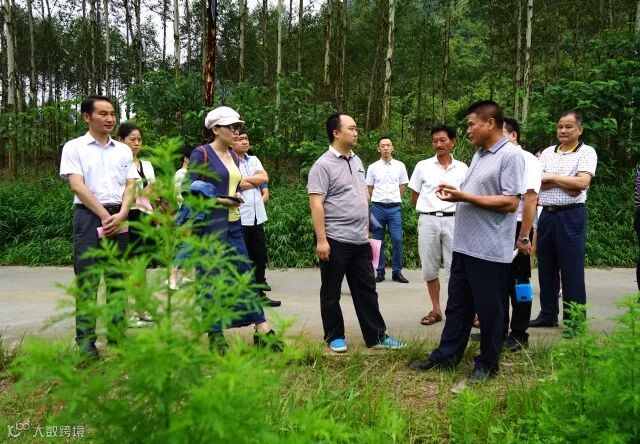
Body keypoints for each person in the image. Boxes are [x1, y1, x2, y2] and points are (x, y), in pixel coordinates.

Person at [410, 100, 524, 383]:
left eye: (472, 124)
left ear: (490, 123)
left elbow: (511, 202)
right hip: (464, 245)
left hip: (488, 249)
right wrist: (457, 192)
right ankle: (445, 358)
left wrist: (464, 196)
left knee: (489, 311)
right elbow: (478, 193)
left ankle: (487, 365)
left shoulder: (510, 156)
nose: (468, 130)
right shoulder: (480, 155)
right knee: (458, 308)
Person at [307, 113, 406, 353]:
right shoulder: (322, 165)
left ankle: (377, 336)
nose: (356, 132)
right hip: (335, 238)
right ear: (336, 133)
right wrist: (322, 240)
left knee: (366, 290)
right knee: (331, 291)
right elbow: (316, 204)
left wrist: (367, 223)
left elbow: (363, 194)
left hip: (360, 239)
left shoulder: (357, 160)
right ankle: (334, 336)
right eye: (351, 128)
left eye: (356, 128)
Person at [188, 106, 282, 353]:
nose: (236, 131)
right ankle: (215, 333)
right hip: (210, 226)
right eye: (231, 126)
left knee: (243, 275)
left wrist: (237, 193)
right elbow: (190, 190)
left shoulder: (233, 155)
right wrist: (221, 200)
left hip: (234, 223)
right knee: (211, 278)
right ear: (215, 129)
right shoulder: (202, 153)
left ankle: (262, 329)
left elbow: (235, 183)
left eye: (237, 126)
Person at [59, 95, 139, 358]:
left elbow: (131, 184)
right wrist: (104, 215)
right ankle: (86, 343)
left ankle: (117, 336)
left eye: (112, 114)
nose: (110, 119)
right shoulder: (74, 147)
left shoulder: (123, 150)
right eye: (103, 114)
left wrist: (123, 212)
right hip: (89, 216)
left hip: (120, 215)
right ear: (86, 117)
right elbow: (77, 185)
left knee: (118, 279)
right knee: (88, 279)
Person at [530, 111, 597, 337]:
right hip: (547, 215)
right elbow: (536, 181)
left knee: (571, 269)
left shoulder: (587, 152)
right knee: (546, 267)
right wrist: (567, 182)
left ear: (580, 129)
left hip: (571, 215)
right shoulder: (548, 152)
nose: (563, 131)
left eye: (568, 127)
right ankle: (548, 314)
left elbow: (583, 182)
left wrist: (551, 177)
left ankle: (575, 321)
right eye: (560, 126)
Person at [408, 124, 468, 326]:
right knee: (429, 267)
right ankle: (436, 309)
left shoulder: (463, 168)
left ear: (453, 142)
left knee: (455, 268)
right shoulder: (422, 166)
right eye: (435, 141)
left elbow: (467, 196)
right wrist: (429, 210)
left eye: (443, 140)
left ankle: (456, 311)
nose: (439, 144)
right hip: (428, 220)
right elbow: (414, 196)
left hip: (454, 220)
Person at [501, 117, 541, 352]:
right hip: (498, 227)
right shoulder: (497, 158)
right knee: (499, 281)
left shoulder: (527, 160)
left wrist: (524, 236)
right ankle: (498, 330)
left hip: (518, 226)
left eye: (501, 134)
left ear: (514, 135)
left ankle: (518, 334)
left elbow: (531, 199)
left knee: (519, 282)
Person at [230, 129, 281, 307]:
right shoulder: (229, 162)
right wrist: (254, 180)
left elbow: (265, 177)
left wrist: (245, 181)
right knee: (241, 258)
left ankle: (259, 294)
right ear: (231, 142)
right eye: (240, 139)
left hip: (257, 216)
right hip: (240, 216)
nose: (245, 141)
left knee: (259, 257)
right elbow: (235, 183)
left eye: (246, 138)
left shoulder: (254, 159)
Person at [117, 122, 156, 327]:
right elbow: (120, 194)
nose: (136, 143)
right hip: (125, 215)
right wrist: (140, 194)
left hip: (144, 217)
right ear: (121, 140)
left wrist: (142, 194)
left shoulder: (146, 165)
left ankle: (142, 308)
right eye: (132, 139)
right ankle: (125, 312)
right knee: (125, 266)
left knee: (141, 266)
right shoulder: (117, 164)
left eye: (139, 139)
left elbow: (153, 191)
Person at [365, 137, 410, 283]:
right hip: (377, 208)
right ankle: (380, 272)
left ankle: (397, 272)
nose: (385, 148)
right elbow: (369, 187)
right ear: (378, 149)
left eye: (388, 145)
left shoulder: (400, 166)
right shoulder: (372, 167)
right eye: (382, 146)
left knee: (397, 239)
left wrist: (394, 197)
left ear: (392, 148)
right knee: (377, 241)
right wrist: (378, 199)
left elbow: (403, 185)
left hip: (394, 208)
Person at [168, 144, 196, 290]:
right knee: (187, 245)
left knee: (190, 244)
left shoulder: (190, 173)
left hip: (191, 212)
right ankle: (172, 276)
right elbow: (178, 196)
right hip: (187, 212)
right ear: (186, 158)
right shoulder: (181, 174)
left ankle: (187, 275)